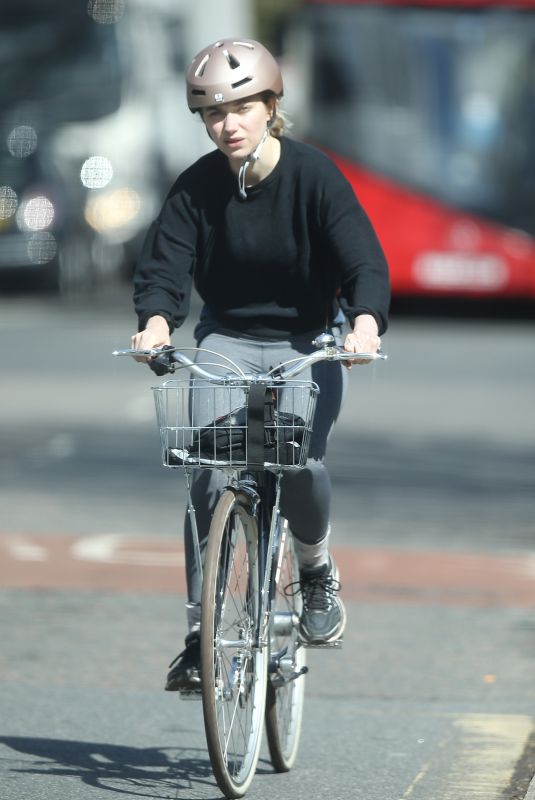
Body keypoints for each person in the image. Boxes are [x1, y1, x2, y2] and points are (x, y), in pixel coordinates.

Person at [131, 38, 390, 692]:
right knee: (206, 469)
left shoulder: (314, 176)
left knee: (295, 458)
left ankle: (312, 567)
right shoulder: (196, 185)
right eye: (214, 113)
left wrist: (362, 323)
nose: (229, 124)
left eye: (243, 106)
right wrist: (156, 323)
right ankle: (200, 633)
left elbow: (362, 257)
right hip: (228, 339)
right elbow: (165, 265)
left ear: (271, 105)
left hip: (308, 340)